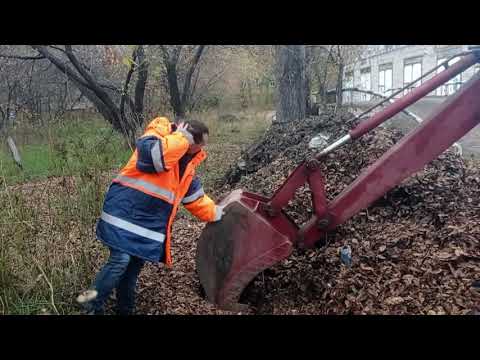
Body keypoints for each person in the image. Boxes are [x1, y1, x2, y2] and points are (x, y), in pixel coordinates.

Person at [77, 117, 225, 315]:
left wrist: (216, 213)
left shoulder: (186, 167)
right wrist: (180, 139)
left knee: (132, 269)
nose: (201, 149)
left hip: (145, 227)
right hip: (123, 214)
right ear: (188, 139)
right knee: (120, 260)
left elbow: (195, 199)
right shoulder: (155, 137)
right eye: (199, 144)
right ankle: (90, 304)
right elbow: (155, 159)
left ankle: (125, 310)